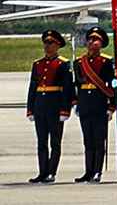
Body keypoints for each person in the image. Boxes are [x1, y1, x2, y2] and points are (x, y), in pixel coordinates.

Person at [26, 28, 75, 184]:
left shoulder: (63, 64)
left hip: (55, 106)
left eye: (50, 43)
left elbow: (67, 89)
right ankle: (42, 172)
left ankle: (51, 172)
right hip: (40, 105)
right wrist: (30, 109)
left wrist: (65, 109)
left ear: (57, 45)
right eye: (45, 43)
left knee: (55, 142)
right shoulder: (38, 64)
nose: (47, 46)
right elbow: (33, 87)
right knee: (41, 142)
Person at [72, 27, 115, 183]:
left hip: (99, 104)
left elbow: (112, 85)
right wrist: (76, 103)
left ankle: (97, 171)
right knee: (87, 141)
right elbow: (76, 84)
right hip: (85, 104)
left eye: (95, 40)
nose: (91, 42)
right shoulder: (79, 62)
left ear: (101, 43)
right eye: (90, 39)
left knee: (98, 140)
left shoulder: (106, 62)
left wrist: (111, 107)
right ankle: (88, 171)